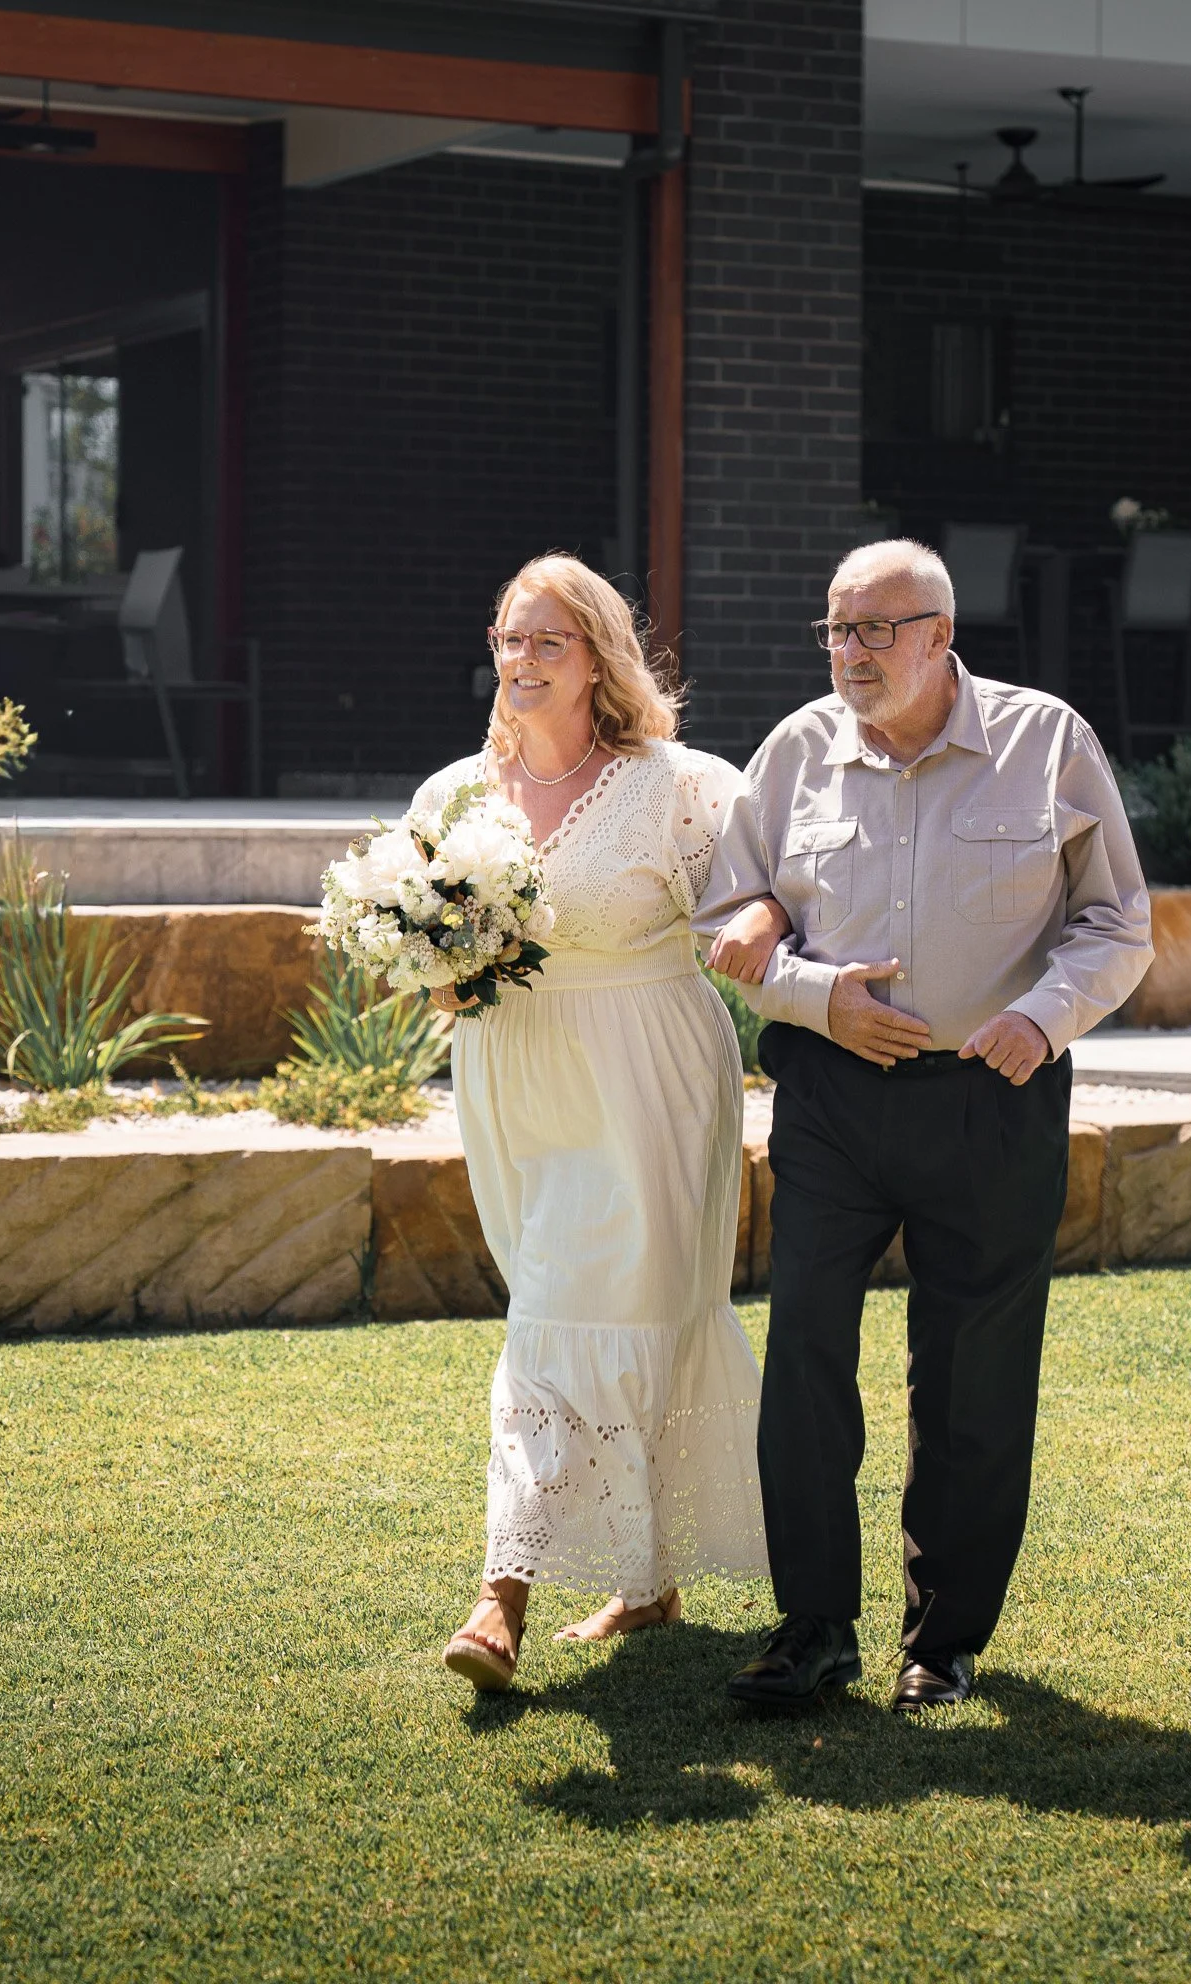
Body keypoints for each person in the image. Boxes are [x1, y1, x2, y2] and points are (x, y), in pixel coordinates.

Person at [695, 538, 1153, 1713]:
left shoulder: (1049, 742)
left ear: (941, 634)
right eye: (837, 631)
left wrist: (1041, 1020)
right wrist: (813, 992)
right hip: (834, 1096)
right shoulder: (796, 750)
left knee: (973, 1375)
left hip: (991, 1095)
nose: (851, 653)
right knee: (802, 1349)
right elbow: (736, 907)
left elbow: (1117, 924)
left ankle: (943, 1641)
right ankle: (812, 1628)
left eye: (876, 629)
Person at [421, 554, 767, 1691]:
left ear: (599, 659)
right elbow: (426, 961)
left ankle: (498, 1598)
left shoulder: (680, 786)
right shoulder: (455, 797)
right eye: (509, 637)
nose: (521, 661)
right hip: (519, 1081)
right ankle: (647, 1576)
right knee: (572, 1304)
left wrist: (775, 935)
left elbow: (766, 897)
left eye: (548, 642)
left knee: (579, 1314)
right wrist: (442, 975)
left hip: (651, 1075)